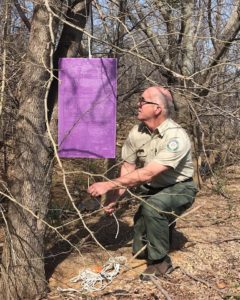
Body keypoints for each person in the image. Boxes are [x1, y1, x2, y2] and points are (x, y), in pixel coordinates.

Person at [88, 86, 197, 280]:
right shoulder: (136, 132)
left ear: (157, 108)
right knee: (140, 243)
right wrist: (114, 197)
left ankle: (161, 263)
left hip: (180, 187)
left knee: (153, 208)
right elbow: (129, 168)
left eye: (143, 100)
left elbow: (148, 173)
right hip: (152, 187)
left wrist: (108, 185)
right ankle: (162, 233)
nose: (138, 104)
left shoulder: (176, 136)